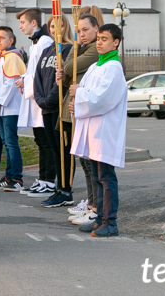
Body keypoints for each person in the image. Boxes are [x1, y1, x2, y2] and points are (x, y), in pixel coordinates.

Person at [69, 23, 128, 238]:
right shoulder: (96, 66)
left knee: (106, 177)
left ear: (116, 42)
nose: (99, 42)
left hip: (104, 131)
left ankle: (110, 222)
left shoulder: (113, 68)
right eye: (99, 38)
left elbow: (101, 98)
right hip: (93, 129)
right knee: (96, 175)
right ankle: (100, 219)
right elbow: (85, 91)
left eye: (104, 39)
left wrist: (79, 96)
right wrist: (76, 100)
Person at [57, 11, 101, 225]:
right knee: (84, 161)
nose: (81, 34)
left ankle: (95, 205)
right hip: (76, 107)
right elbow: (68, 76)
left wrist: (73, 47)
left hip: (85, 110)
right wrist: (64, 77)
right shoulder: (83, 48)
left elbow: (70, 67)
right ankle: (91, 202)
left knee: (90, 162)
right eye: (79, 31)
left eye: (85, 30)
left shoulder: (93, 50)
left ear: (96, 29)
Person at [34, 14, 74, 207]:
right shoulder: (47, 50)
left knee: (62, 150)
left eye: (58, 26)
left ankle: (65, 189)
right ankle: (58, 189)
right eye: (51, 26)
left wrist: (49, 99)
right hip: (46, 108)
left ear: (65, 28)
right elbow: (38, 77)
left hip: (58, 108)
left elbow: (63, 81)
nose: (54, 30)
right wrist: (40, 99)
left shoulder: (68, 50)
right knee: (52, 150)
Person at [15, 8, 54, 197]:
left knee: (45, 141)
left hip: (41, 98)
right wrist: (25, 78)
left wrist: (26, 80)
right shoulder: (37, 43)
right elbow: (33, 71)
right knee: (40, 140)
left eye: (23, 22)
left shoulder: (44, 42)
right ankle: (43, 178)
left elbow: (43, 72)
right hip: (36, 97)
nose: (20, 26)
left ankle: (48, 180)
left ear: (33, 23)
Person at [0, 26, 26, 191]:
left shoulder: (11, 57)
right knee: (6, 141)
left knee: (11, 142)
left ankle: (16, 177)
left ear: (11, 40)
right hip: (4, 108)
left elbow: (10, 84)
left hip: (10, 107)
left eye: (2, 38)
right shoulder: (1, 58)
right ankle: (9, 176)